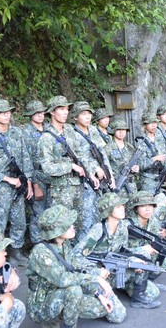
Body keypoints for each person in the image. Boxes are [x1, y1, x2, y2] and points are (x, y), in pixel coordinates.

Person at [25, 205, 126, 328]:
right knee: (74, 290)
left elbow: (75, 266)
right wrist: (96, 278)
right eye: (67, 225)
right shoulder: (40, 252)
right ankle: (60, 323)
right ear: (56, 231)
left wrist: (97, 293)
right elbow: (63, 279)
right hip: (42, 305)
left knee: (102, 307)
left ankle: (63, 312)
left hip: (62, 292)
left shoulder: (64, 244)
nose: (72, 227)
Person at [73, 192, 161, 309]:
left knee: (152, 289)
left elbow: (122, 251)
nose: (122, 209)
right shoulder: (98, 230)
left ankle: (136, 298)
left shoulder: (122, 227)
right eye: (118, 207)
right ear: (108, 211)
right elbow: (75, 256)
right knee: (118, 314)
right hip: (98, 275)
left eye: (122, 205)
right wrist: (96, 273)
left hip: (113, 269)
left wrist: (133, 259)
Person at [0, 100, 33, 266]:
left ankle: (16, 252)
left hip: (19, 182)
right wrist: (6, 179)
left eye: (8, 112)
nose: (6, 115)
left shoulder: (17, 132)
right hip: (2, 185)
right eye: (2, 113)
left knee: (19, 220)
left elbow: (25, 157)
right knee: (0, 222)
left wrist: (29, 182)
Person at [38, 96, 98, 240]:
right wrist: (70, 166)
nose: (65, 112)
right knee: (62, 227)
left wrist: (90, 173)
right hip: (61, 189)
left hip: (77, 185)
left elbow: (80, 155)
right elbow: (47, 167)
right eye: (61, 109)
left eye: (67, 109)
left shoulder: (70, 131)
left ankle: (74, 256)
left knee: (78, 223)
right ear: (52, 112)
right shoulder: (46, 138)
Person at [71, 101, 114, 239]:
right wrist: (94, 169)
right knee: (85, 215)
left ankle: (95, 243)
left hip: (101, 178)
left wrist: (109, 174)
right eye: (83, 114)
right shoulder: (73, 134)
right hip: (85, 180)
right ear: (76, 117)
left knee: (98, 212)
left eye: (89, 113)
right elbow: (78, 156)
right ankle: (83, 245)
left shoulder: (94, 131)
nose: (87, 117)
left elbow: (102, 153)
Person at [22, 99, 51, 244]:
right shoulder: (26, 133)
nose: (40, 115)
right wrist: (34, 184)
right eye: (36, 113)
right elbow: (26, 159)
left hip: (52, 175)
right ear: (30, 115)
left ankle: (50, 241)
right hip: (37, 176)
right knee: (38, 212)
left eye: (41, 112)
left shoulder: (49, 128)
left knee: (51, 210)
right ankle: (37, 243)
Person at [135, 113, 166, 195]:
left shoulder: (160, 138)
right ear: (145, 125)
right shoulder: (140, 141)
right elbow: (140, 164)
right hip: (148, 180)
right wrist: (154, 159)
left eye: (155, 123)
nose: (154, 125)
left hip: (163, 178)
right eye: (151, 123)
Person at [104, 119, 140, 197]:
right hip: (117, 185)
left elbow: (137, 162)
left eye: (123, 130)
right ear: (114, 131)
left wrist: (136, 168)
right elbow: (104, 166)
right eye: (118, 130)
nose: (121, 132)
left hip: (131, 186)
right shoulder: (108, 148)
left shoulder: (130, 147)